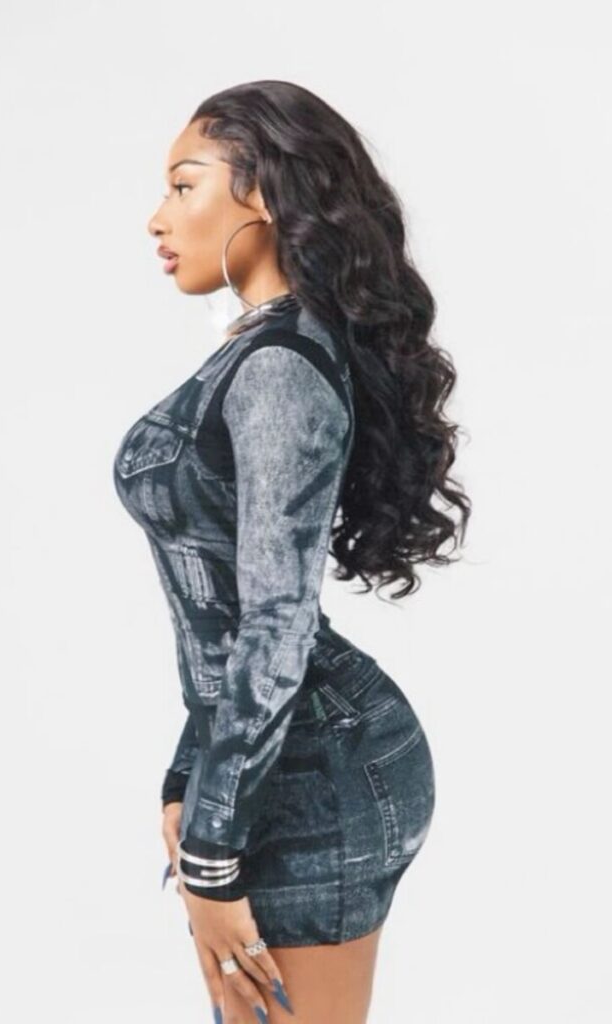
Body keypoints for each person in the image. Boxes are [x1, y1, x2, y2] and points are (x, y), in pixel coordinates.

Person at [113, 80, 471, 1024]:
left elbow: (273, 626)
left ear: (263, 195)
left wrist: (210, 852)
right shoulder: (263, 351)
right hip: (265, 769)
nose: (157, 217)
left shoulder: (277, 369)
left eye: (183, 185)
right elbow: (234, 628)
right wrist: (192, 778)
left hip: (317, 778)